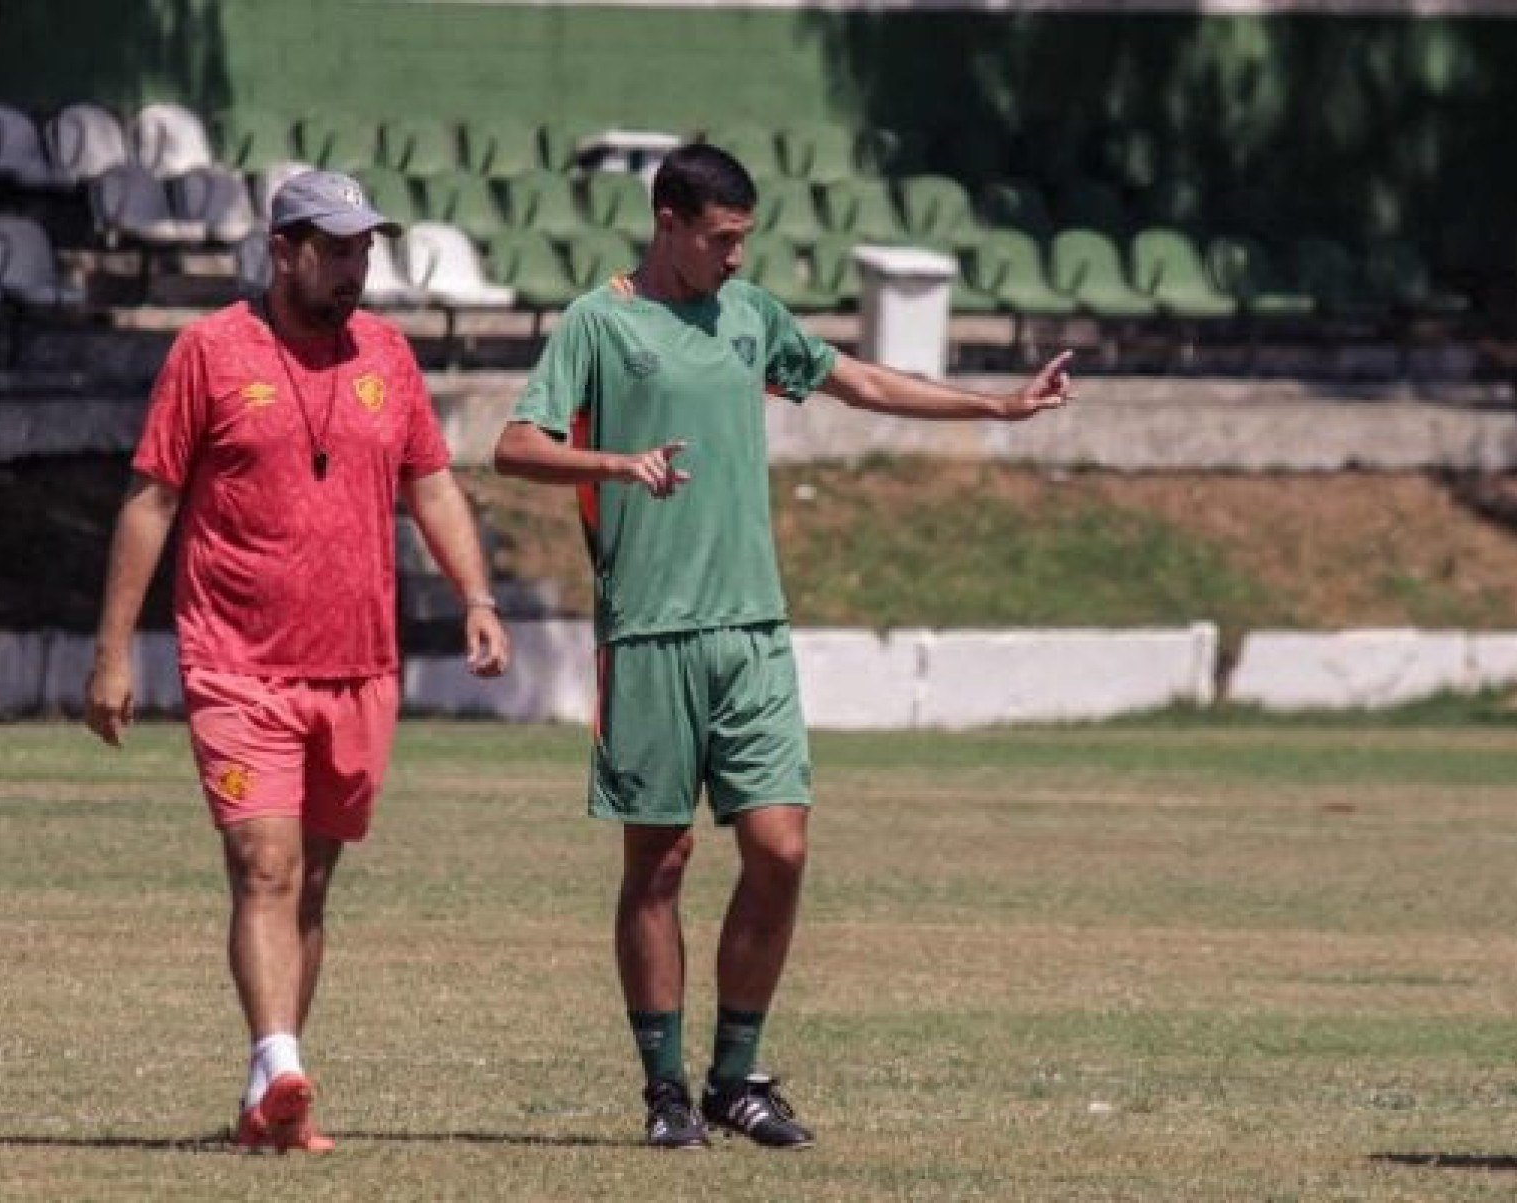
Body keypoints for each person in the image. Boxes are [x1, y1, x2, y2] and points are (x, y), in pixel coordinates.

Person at [492, 143, 1072, 1150]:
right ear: (667, 219)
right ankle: (665, 1088)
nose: (734, 259)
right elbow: (516, 445)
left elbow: (857, 382)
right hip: (650, 633)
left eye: (744, 241)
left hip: (752, 630)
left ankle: (734, 1077)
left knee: (782, 849)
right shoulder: (598, 322)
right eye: (722, 239)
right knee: (660, 862)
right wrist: (617, 463)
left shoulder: (751, 317)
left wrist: (994, 406)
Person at [84, 169, 510, 1154]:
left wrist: (476, 598)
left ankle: (265, 1091)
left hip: (359, 667)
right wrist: (113, 652)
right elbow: (150, 501)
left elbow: (433, 486)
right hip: (237, 664)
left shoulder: (389, 357)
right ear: (283, 250)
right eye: (337, 247)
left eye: (366, 248)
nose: (357, 266)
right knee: (262, 864)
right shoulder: (210, 352)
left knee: (310, 884)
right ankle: (283, 1065)